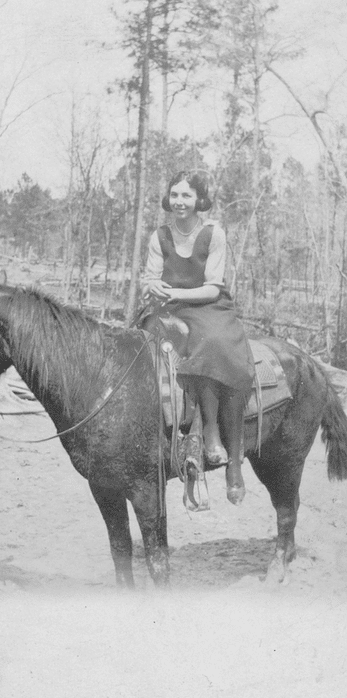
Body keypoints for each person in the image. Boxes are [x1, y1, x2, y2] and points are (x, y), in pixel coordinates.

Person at [141, 170, 255, 504]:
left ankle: (218, 439)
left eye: (186, 196)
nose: (179, 202)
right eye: (174, 195)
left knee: (214, 342)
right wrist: (152, 285)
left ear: (199, 200)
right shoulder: (158, 236)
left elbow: (212, 286)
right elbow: (148, 278)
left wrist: (174, 291)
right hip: (167, 310)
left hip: (207, 306)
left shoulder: (213, 233)